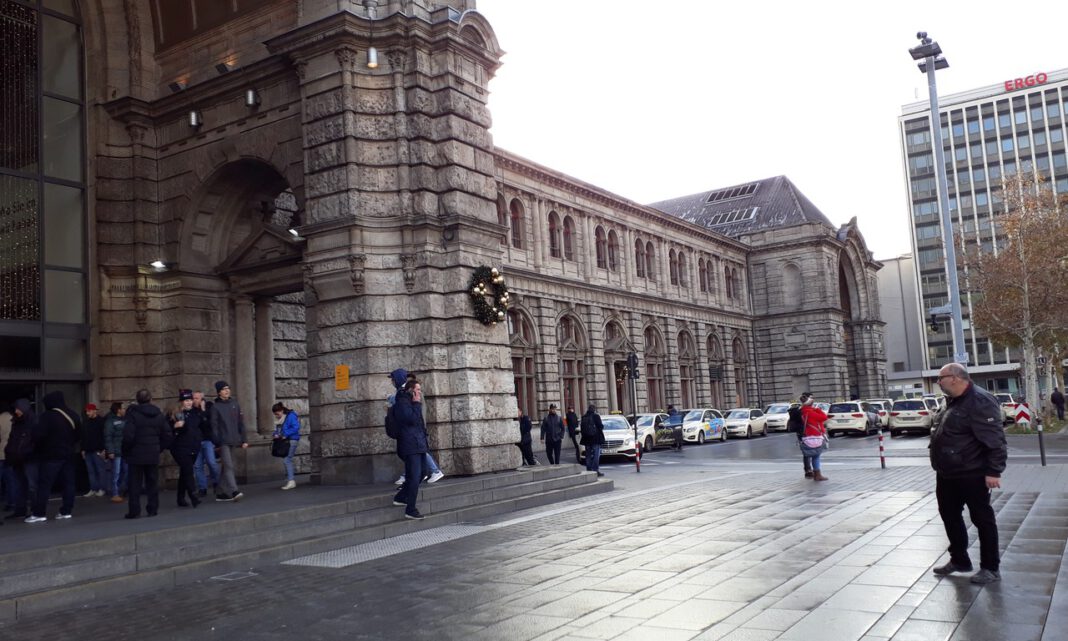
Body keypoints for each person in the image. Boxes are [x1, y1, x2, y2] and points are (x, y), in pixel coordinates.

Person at [930, 362, 1007, 585]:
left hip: (972, 473)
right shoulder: (950, 401)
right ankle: (960, 560)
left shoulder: (979, 401)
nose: (938, 382)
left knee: (983, 519)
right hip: (947, 473)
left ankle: (991, 568)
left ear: (954, 378)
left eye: (941, 377)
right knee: (949, 516)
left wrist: (994, 471)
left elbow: (995, 441)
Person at [27, 391, 81, 523]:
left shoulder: (47, 417)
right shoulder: (73, 414)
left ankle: (39, 513)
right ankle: (66, 511)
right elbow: (78, 435)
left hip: (51, 456)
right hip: (69, 454)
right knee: (69, 484)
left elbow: (38, 436)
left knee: (45, 485)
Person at [392, 373, 445, 487]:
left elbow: (415, 412)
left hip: (415, 428)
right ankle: (416, 474)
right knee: (417, 451)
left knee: (419, 451)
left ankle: (434, 471)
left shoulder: (411, 394)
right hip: (414, 428)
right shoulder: (406, 394)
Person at [389, 369, 427, 520]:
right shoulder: (402, 400)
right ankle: (410, 509)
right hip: (409, 444)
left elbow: (418, 422)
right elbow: (410, 419)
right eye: (417, 390)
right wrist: (417, 404)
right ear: (410, 390)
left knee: (423, 473)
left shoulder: (410, 400)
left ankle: (400, 497)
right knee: (414, 475)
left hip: (418, 442)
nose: (419, 392)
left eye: (420, 389)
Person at [209, 381, 248, 502]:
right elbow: (214, 426)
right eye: (224, 389)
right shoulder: (215, 407)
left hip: (234, 439)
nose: (227, 391)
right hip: (223, 441)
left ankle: (220, 492)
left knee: (228, 467)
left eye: (228, 388)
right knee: (229, 466)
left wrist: (244, 439)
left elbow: (240, 423)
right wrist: (217, 442)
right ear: (219, 392)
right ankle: (234, 490)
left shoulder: (235, 404)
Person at [170, 390, 203, 508]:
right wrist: (174, 427)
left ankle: (180, 498)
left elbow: (201, 426)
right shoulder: (174, 413)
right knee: (188, 470)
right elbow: (165, 430)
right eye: (186, 400)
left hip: (193, 446)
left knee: (185, 472)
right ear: (181, 402)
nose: (189, 403)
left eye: (190, 400)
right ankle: (193, 495)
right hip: (179, 447)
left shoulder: (196, 412)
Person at [4, 399, 36, 520]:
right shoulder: (16, 422)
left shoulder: (32, 422)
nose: (16, 411)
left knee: (31, 485)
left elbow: (35, 440)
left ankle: (35, 510)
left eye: (18, 408)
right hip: (17, 457)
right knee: (19, 485)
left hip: (28, 458)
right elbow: (12, 439)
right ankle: (20, 509)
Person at [191, 391, 220, 498]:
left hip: (207, 440)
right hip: (196, 441)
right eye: (193, 398)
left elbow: (208, 424)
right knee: (198, 466)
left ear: (202, 399)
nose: (194, 400)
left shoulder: (209, 408)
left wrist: (203, 411)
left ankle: (216, 482)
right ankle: (202, 488)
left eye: (197, 398)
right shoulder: (191, 410)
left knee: (211, 462)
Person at [799, 396, 829, 482]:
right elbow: (824, 417)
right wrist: (818, 409)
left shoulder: (803, 411)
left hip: (807, 436)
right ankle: (817, 475)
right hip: (814, 436)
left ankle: (812, 472)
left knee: (812, 455)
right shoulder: (810, 412)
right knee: (816, 456)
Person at [272, 402, 301, 490]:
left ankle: (291, 481)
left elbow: (296, 427)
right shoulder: (282, 419)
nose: (276, 416)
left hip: (291, 440)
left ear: (281, 411)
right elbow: (278, 429)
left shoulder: (291, 416)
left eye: (277, 414)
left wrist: (285, 434)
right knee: (287, 459)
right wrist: (275, 434)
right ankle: (290, 479)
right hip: (286, 440)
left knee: (287, 459)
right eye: (275, 415)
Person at [81, 403, 108, 498]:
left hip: (98, 450)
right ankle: (93, 488)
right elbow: (83, 436)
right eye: (87, 411)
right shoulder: (86, 422)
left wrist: (104, 449)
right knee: (91, 471)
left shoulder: (101, 422)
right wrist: (83, 449)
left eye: (89, 411)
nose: (88, 413)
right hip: (88, 450)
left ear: (94, 411)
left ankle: (102, 488)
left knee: (100, 470)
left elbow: (104, 436)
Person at [103, 402, 128, 503]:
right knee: (116, 473)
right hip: (116, 451)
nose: (124, 410)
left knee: (126, 471)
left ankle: (121, 489)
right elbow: (108, 437)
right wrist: (110, 451)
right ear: (118, 410)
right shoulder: (110, 421)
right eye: (123, 408)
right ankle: (115, 493)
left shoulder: (125, 420)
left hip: (124, 450)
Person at [787, 393, 813, 478]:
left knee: (807, 452)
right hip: (805, 432)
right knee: (808, 451)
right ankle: (809, 470)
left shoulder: (800, 409)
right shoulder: (803, 410)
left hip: (802, 432)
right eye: (811, 398)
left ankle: (808, 469)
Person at [579, 404, 605, 477]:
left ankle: (589, 470)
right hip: (595, 439)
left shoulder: (584, 417)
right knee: (596, 455)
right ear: (594, 409)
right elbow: (600, 426)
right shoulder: (596, 416)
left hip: (586, 439)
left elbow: (582, 428)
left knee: (588, 455)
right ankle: (595, 470)